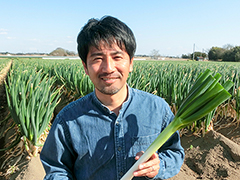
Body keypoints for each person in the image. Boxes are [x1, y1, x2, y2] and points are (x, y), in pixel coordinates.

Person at [40, 15, 184, 180]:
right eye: (97, 58)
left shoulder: (158, 109)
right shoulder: (67, 120)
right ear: (85, 67)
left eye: (117, 57)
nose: (108, 68)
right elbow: (57, 170)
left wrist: (160, 165)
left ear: (130, 63)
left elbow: (175, 152)